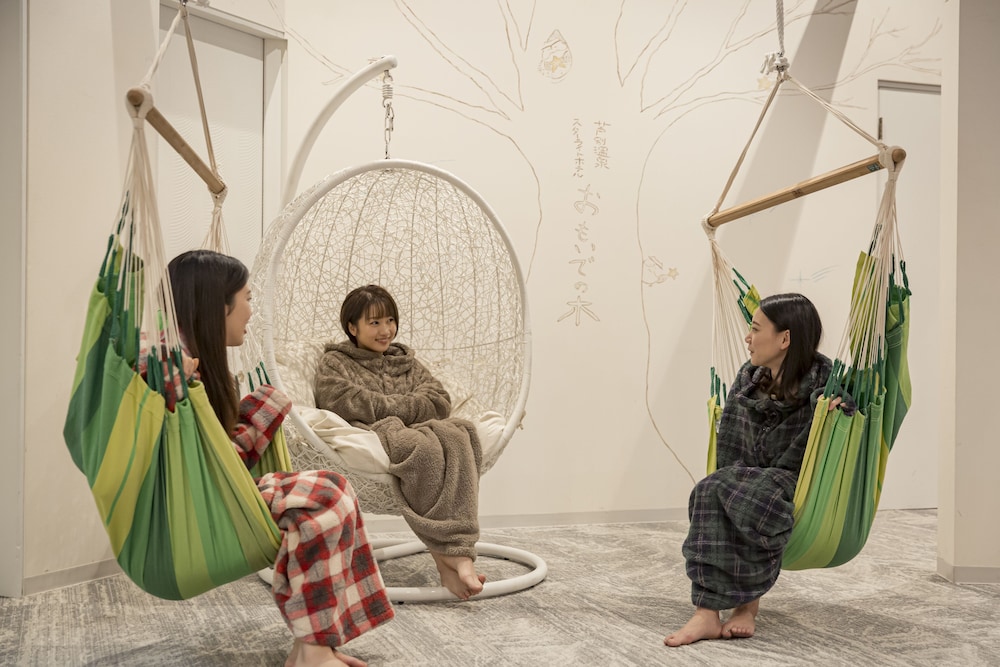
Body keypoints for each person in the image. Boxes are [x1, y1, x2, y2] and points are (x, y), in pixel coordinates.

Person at [166, 250, 393, 667]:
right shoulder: (173, 368)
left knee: (332, 491)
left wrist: (262, 409)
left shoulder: (205, 369)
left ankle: (312, 647)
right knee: (327, 497)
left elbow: (222, 451)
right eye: (247, 298)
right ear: (219, 306)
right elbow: (196, 455)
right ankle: (314, 650)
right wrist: (175, 379)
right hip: (204, 503)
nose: (251, 311)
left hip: (220, 487)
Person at [665, 293, 851, 647]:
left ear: (785, 338)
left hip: (794, 482)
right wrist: (733, 476)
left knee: (737, 494)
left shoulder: (825, 381)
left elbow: (846, 417)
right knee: (711, 489)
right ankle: (707, 613)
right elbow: (730, 443)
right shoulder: (749, 378)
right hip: (743, 474)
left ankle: (743, 608)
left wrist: (837, 410)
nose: (747, 338)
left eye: (755, 328)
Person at [314, 284, 486, 601]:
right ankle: (456, 555)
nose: (386, 330)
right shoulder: (336, 363)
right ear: (352, 327)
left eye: (390, 320)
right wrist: (404, 408)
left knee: (459, 433)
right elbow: (339, 400)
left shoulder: (405, 361)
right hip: (379, 431)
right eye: (375, 322)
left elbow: (439, 400)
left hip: (422, 427)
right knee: (420, 449)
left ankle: (451, 558)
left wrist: (390, 405)